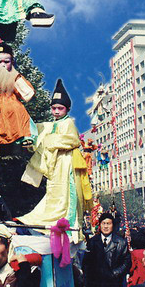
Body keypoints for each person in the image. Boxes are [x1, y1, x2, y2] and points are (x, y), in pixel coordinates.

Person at [17, 79, 92, 237]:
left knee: (64, 194)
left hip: (66, 164)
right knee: (53, 193)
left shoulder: (69, 123)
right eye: (54, 108)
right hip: (56, 166)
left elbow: (73, 140)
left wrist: (49, 141)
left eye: (60, 108)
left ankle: (66, 225)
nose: (56, 111)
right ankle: (45, 220)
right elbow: (37, 132)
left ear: (67, 109)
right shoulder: (50, 125)